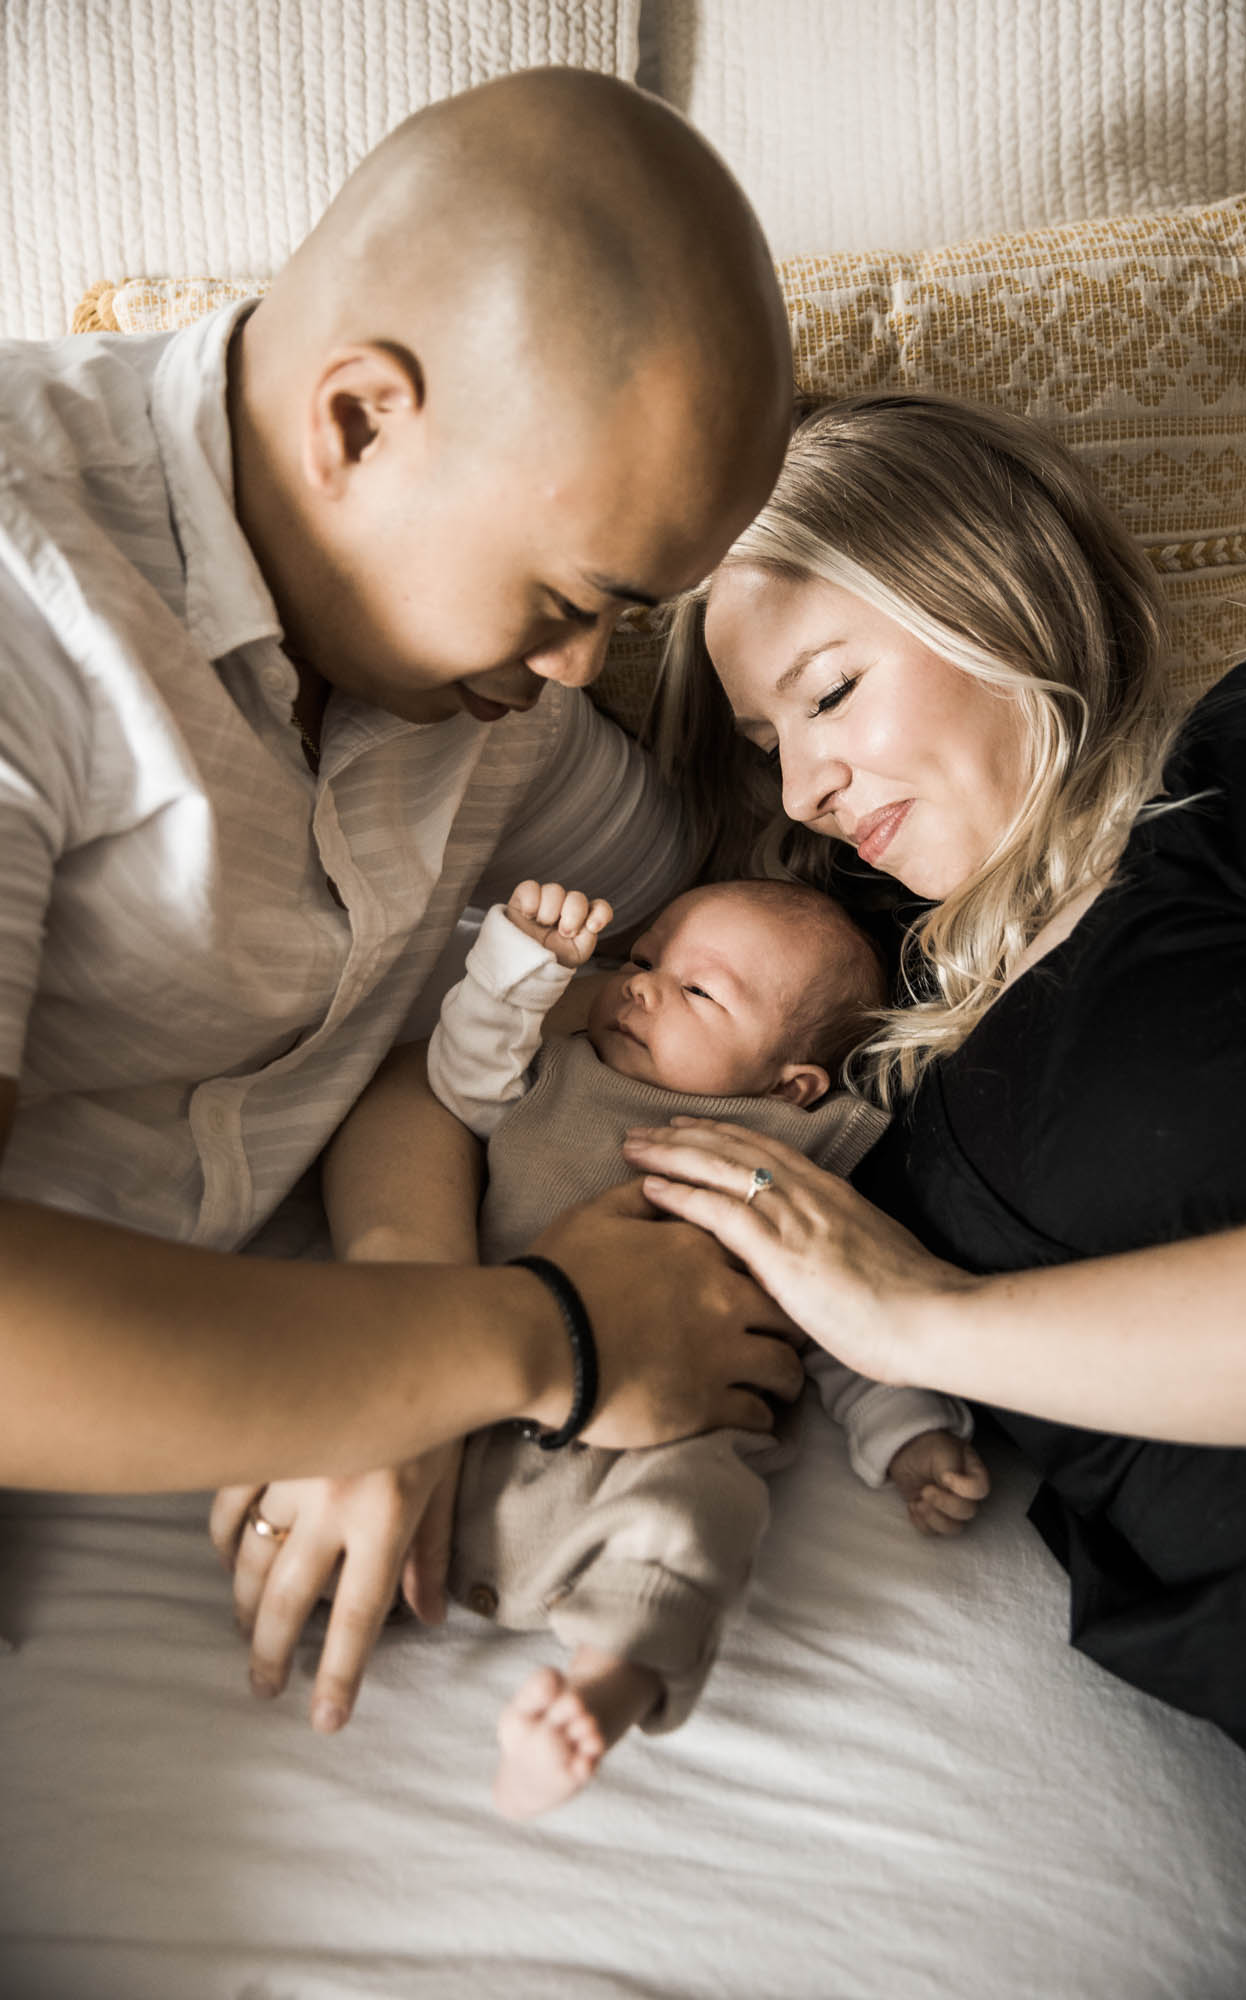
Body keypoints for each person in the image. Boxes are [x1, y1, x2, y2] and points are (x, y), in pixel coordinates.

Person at [0, 69, 804, 1730]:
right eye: (572, 603)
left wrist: (403, 1270)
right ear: (359, 421)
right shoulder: (31, 592)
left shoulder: (496, 705)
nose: (581, 673)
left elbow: (731, 920)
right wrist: (534, 1337)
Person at [623, 389, 1246, 1769]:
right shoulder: (853, 1031)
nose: (801, 792)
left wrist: (917, 1324)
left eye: (830, 692)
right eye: (766, 747)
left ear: (995, 592)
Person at [431, 874, 985, 1816]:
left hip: (664, 1434)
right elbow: (458, 1074)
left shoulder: (788, 1166)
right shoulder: (549, 1072)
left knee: (701, 1512)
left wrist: (908, 1434)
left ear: (790, 1083)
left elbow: (841, 1316)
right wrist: (516, 963)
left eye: (698, 991)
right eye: (644, 962)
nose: (640, 986)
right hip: (482, 1386)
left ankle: (605, 1688)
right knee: (369, 1431)